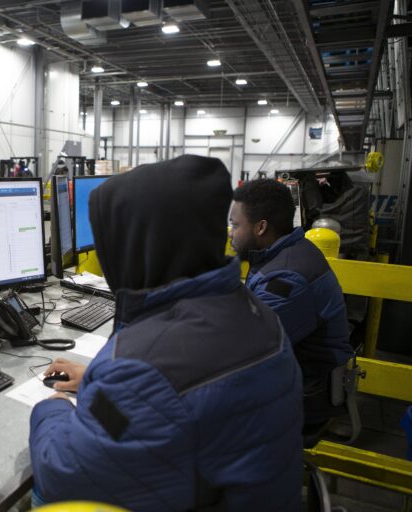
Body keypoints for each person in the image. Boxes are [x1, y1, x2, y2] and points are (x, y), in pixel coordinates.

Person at [29, 156, 303, 511]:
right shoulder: (255, 312)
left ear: (137, 243)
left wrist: (52, 410)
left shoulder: (144, 373)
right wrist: (101, 384)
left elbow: (64, 474)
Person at [229, 178, 353, 428]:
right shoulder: (285, 252)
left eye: (235, 224)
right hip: (294, 377)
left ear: (260, 227)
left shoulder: (287, 278)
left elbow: (239, 347)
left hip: (306, 395)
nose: (231, 232)